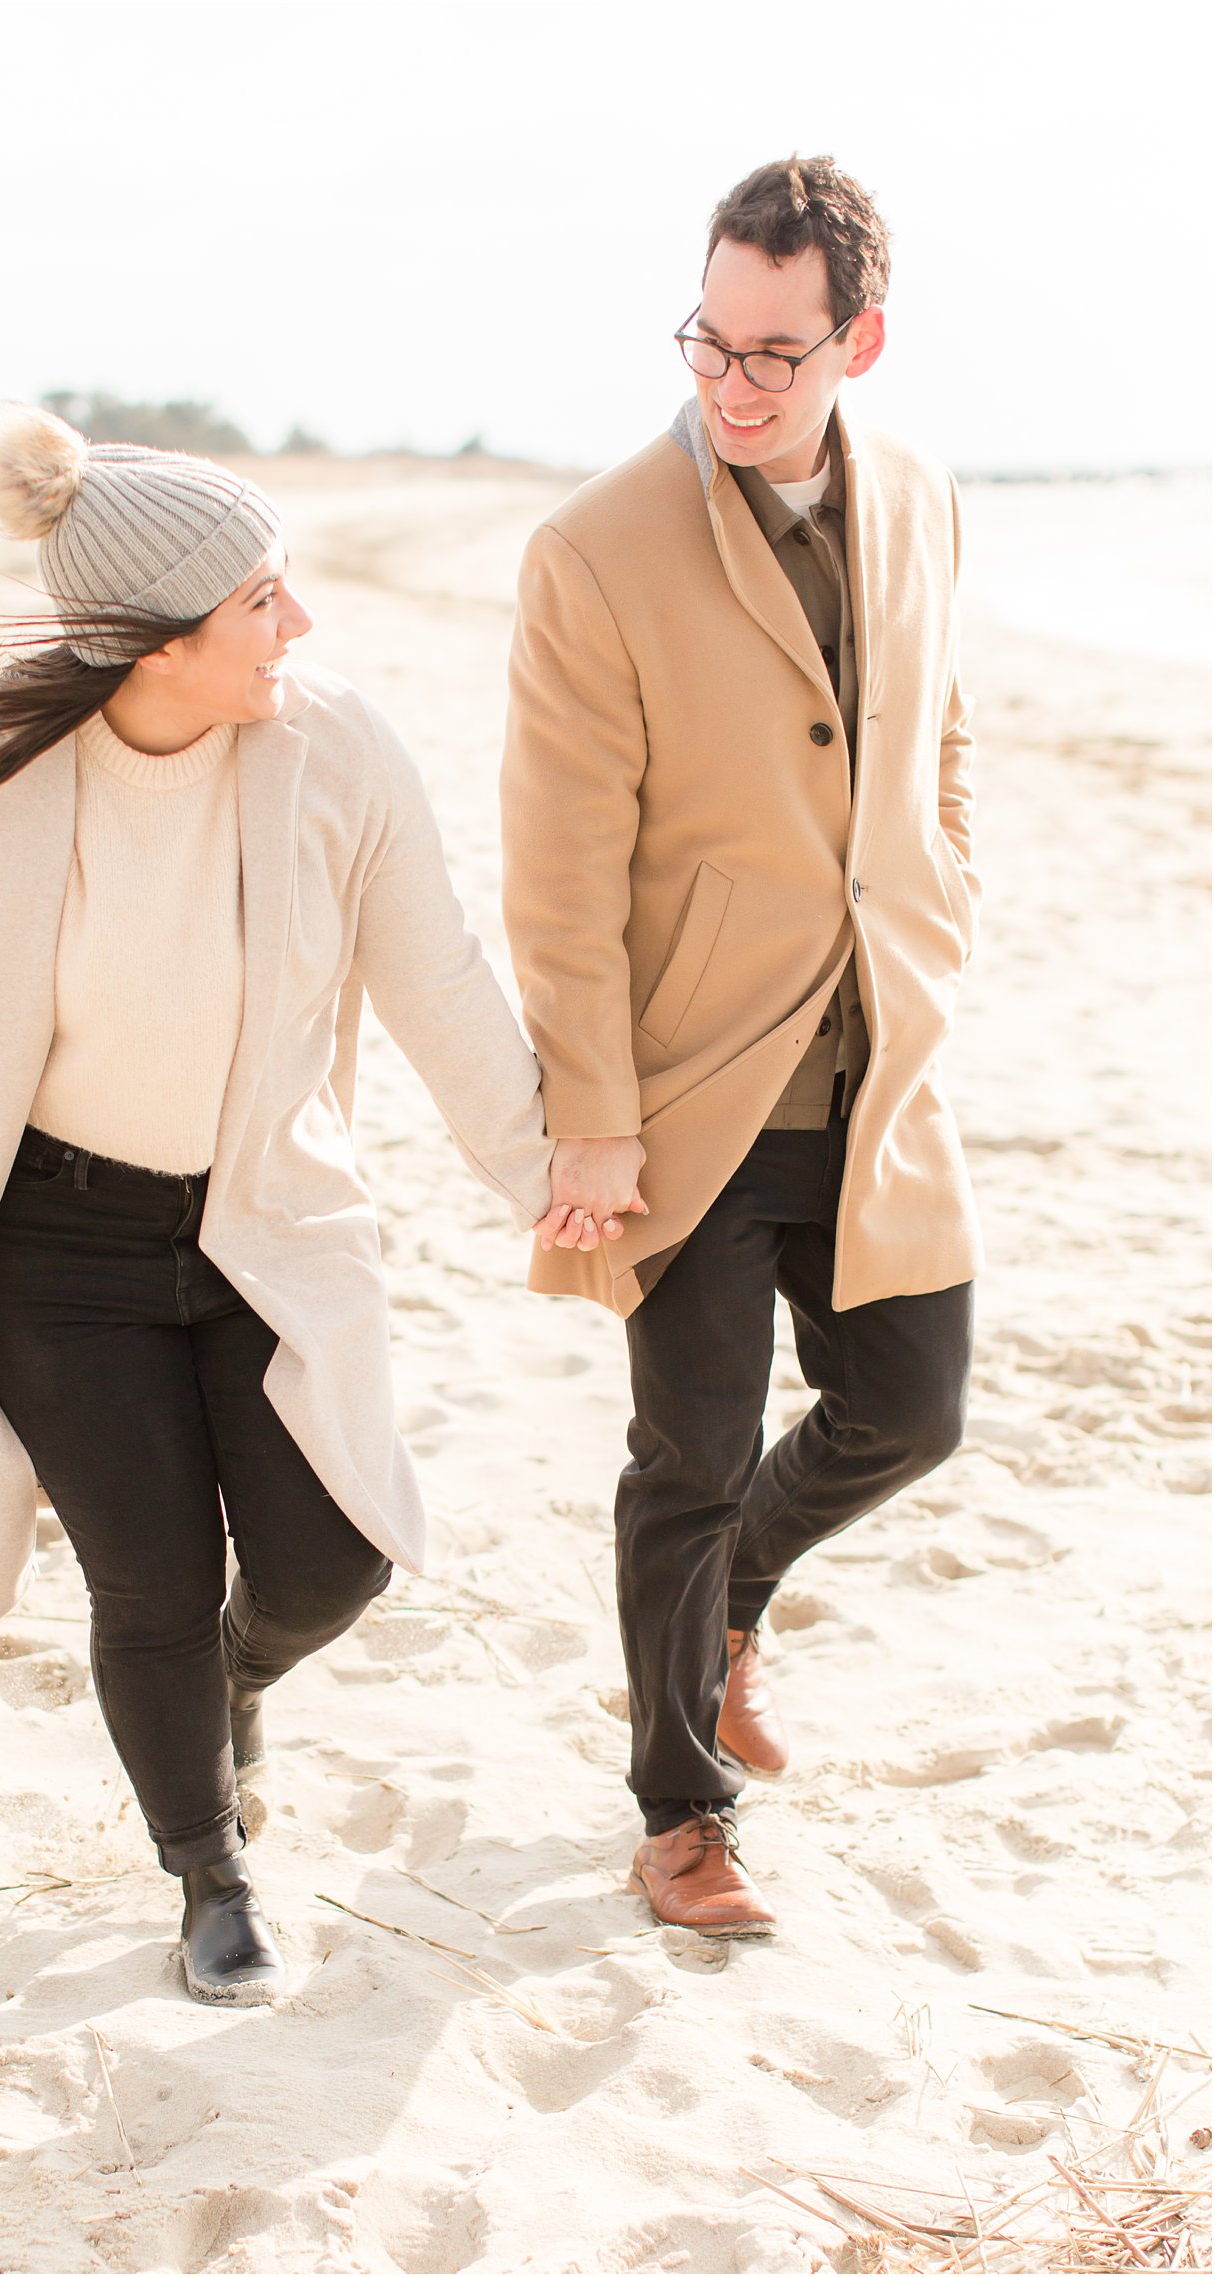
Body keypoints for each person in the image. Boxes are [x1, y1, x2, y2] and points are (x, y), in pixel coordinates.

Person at [0, 405, 594, 2004]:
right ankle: (209, 1871)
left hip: (263, 1214)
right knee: (147, 1583)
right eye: (263, 596)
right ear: (156, 642)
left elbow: (440, 983)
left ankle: (239, 1682)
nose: (300, 622)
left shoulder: (333, 744)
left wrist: (552, 1179)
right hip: (54, 1248)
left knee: (337, 1553)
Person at [500, 156, 982, 1938]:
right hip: (695, 1090)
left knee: (911, 1409)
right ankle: (678, 1809)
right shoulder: (597, 547)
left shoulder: (922, 496)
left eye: (778, 349)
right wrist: (592, 1120)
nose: (735, 381)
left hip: (882, 1068)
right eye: (713, 337)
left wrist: (944, 905)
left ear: (861, 336)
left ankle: (735, 1611)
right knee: (686, 1459)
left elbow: (940, 735)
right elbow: (557, 868)